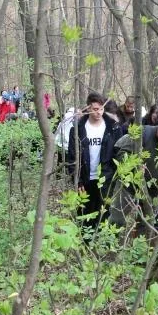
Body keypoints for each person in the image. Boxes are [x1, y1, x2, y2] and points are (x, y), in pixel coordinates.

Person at [109, 117, 158, 230]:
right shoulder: (143, 132)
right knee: (117, 220)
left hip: (152, 189)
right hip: (128, 184)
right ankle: (109, 244)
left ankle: (141, 245)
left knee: (147, 223)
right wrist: (135, 166)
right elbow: (119, 151)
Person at [67, 92, 124, 224]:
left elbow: (120, 153)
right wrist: (77, 180)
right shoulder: (77, 129)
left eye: (101, 109)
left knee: (104, 216)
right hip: (86, 180)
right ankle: (85, 243)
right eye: (95, 109)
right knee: (85, 217)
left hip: (106, 179)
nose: (99, 112)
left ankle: (103, 243)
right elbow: (72, 157)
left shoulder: (113, 128)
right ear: (88, 109)